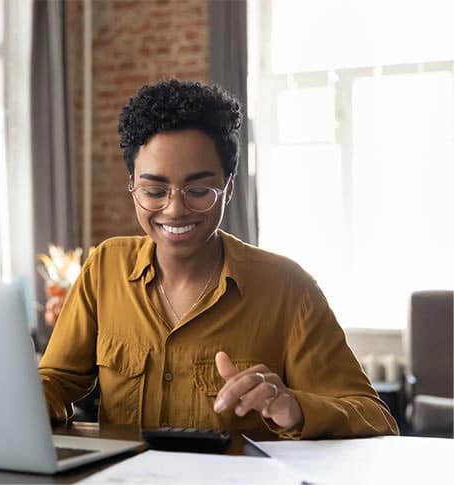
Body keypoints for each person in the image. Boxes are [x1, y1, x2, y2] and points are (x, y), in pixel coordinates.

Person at [38, 79, 398, 439]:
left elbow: (376, 419)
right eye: (154, 191)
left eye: (198, 190)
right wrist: (25, 399)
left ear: (229, 188)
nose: (175, 209)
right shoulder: (105, 268)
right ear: (132, 185)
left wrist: (294, 407)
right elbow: (55, 381)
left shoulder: (288, 289)